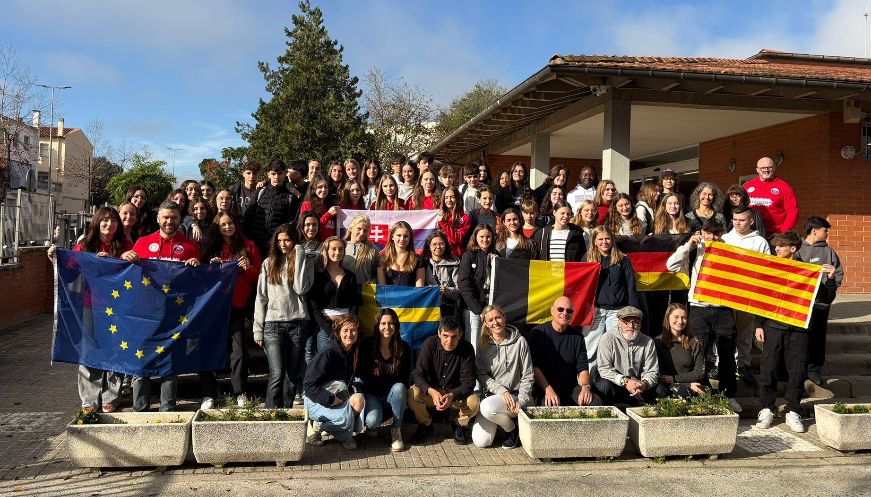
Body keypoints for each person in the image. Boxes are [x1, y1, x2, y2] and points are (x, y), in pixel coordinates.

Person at [48, 207, 137, 414]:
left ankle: (111, 396)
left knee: (115, 348)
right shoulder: (84, 246)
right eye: (104, 220)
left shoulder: (125, 244)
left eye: (113, 220)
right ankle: (89, 398)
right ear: (96, 223)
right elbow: (67, 270)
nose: (109, 224)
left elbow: (135, 270)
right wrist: (54, 257)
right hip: (89, 306)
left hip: (117, 308)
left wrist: (128, 258)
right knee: (89, 350)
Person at [666, 218, 743, 413]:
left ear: (721, 234)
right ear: (703, 232)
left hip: (724, 309)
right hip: (698, 308)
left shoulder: (729, 250)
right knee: (700, 353)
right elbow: (670, 265)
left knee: (727, 355)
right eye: (709, 233)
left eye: (716, 234)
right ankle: (703, 393)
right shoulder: (694, 248)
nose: (712, 237)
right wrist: (688, 246)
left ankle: (729, 396)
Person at [132, 200, 201, 412]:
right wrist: (127, 258)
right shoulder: (142, 243)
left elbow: (196, 283)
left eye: (173, 217)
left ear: (180, 219)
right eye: (165, 217)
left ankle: (167, 410)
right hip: (144, 314)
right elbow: (129, 275)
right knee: (140, 363)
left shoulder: (190, 246)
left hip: (174, 315)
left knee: (169, 365)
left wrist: (196, 268)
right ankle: (139, 409)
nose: (169, 221)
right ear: (158, 219)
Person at [200, 213, 261, 407]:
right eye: (223, 224)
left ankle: (239, 392)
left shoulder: (248, 245)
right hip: (214, 308)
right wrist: (212, 268)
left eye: (230, 223)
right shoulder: (210, 249)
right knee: (209, 350)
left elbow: (259, 277)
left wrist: (248, 268)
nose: (227, 227)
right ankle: (209, 393)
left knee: (239, 352)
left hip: (238, 307)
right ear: (217, 227)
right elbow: (201, 278)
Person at [254, 224, 316, 408]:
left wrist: (299, 255)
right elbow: (261, 297)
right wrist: (258, 328)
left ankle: (286, 414)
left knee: (292, 373)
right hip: (273, 324)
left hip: (298, 323)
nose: (283, 244)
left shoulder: (306, 261)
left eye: (287, 240)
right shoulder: (269, 263)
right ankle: (271, 414)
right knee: (277, 372)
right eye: (279, 240)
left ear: (295, 241)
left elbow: (300, 288)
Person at [755, 231, 810, 433]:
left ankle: (793, 410)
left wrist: (829, 280)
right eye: (776, 246)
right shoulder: (771, 269)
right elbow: (762, 297)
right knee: (768, 369)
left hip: (799, 329)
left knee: (797, 371)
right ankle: (766, 409)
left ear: (793, 249)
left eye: (781, 246)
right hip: (773, 327)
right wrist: (758, 324)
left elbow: (822, 298)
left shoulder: (807, 272)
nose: (776, 249)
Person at [408, 316, 480, 445]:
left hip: (455, 394)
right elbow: (417, 374)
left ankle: (460, 425)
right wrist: (431, 391)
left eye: (454, 337)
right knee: (413, 393)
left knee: (474, 402)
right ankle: (426, 424)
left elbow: (469, 381)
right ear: (439, 333)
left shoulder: (467, 348)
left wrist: (452, 395)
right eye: (445, 336)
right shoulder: (430, 344)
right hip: (433, 393)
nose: (449, 341)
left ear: (460, 335)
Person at [472, 305, 534, 449]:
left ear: (504, 318)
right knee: (481, 442)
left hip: (516, 397)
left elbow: (528, 375)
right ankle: (511, 428)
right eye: (491, 320)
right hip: (494, 397)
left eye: (498, 317)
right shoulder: (483, 344)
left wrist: (522, 400)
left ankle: (512, 430)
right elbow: (481, 374)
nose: (496, 322)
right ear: (486, 324)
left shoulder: (520, 342)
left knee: (488, 408)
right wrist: (501, 391)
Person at [722, 206, 771, 383]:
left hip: (748, 295)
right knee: (725, 332)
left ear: (751, 221)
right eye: (734, 219)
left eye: (741, 220)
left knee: (744, 332)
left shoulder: (760, 242)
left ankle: (742, 364)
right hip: (726, 295)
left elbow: (766, 270)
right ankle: (721, 363)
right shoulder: (724, 239)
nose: (737, 223)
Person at [582, 226, 639, 378]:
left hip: (617, 311)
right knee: (590, 347)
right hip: (596, 311)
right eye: (600, 239)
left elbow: (631, 286)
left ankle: (618, 381)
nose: (604, 242)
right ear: (594, 241)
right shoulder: (587, 259)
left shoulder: (623, 259)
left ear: (612, 240)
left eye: (607, 238)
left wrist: (632, 312)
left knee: (618, 346)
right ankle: (588, 381)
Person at [303, 315, 366, 449]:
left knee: (359, 401)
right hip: (315, 399)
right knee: (345, 419)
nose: (349, 334)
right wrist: (329, 398)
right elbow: (308, 386)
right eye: (345, 330)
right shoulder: (327, 353)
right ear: (338, 332)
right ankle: (316, 424)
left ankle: (341, 431)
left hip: (339, 395)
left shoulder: (355, 352)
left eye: (353, 330)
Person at [527, 297, 598, 407]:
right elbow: (535, 367)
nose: (565, 313)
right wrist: (548, 390)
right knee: (551, 409)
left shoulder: (577, 336)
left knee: (596, 404)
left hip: (570, 388)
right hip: (544, 388)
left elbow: (583, 368)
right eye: (560, 309)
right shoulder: (537, 333)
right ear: (552, 310)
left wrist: (585, 387)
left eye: (569, 311)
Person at [798, 216, 844, 386]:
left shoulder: (829, 251)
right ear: (814, 231)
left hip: (821, 304)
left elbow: (838, 273)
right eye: (825, 230)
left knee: (818, 339)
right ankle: (798, 369)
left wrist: (831, 283)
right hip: (801, 304)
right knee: (800, 339)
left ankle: (814, 370)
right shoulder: (798, 249)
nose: (828, 233)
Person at [359, 308, 412, 452]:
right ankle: (375, 422)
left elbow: (407, 379)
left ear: (396, 326)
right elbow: (360, 375)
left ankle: (396, 431)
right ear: (377, 325)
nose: (387, 327)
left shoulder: (404, 348)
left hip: (393, 397)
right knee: (372, 421)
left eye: (391, 323)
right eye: (383, 323)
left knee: (400, 387)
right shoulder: (366, 346)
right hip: (372, 395)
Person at [595, 306, 660, 405]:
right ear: (619, 323)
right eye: (626, 322)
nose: (631, 326)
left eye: (635, 322)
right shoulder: (608, 338)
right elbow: (604, 369)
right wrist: (625, 381)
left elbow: (652, 371)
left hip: (638, 386)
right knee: (603, 386)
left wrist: (644, 384)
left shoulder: (648, 342)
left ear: (640, 324)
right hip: (616, 383)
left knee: (661, 390)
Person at [308, 237, 361, 356]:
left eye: (341, 249)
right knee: (326, 362)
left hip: (347, 328)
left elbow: (355, 302)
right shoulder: (318, 276)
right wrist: (328, 329)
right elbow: (314, 307)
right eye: (333, 249)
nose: (337, 253)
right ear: (326, 251)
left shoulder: (350, 275)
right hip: (325, 328)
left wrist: (349, 324)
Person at [457, 223, 498, 355]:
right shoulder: (468, 256)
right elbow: (463, 284)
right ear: (475, 237)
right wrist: (478, 310)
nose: (485, 240)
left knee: (492, 344)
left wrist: (497, 264)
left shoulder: (497, 255)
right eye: (482, 236)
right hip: (474, 310)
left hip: (492, 306)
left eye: (488, 237)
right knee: (474, 345)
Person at [243, 159, 294, 259]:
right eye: (273, 173)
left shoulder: (290, 195)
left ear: (285, 174)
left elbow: (291, 223)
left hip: (276, 246)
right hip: (255, 244)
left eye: (280, 173)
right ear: (268, 174)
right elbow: (247, 218)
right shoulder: (260, 191)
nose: (276, 177)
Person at [654, 304, 706, 399]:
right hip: (668, 387)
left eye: (684, 318)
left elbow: (700, 372)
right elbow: (660, 376)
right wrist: (684, 385)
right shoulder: (657, 342)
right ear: (668, 318)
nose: (680, 321)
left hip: (692, 384)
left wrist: (675, 379)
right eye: (676, 317)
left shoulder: (694, 341)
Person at [744, 156, 799, 235]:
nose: (766, 170)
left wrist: (783, 233)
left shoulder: (783, 187)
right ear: (757, 170)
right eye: (763, 168)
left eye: (769, 167)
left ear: (774, 168)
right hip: (750, 233)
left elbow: (793, 211)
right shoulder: (747, 186)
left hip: (774, 236)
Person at [422, 231, 461, 319]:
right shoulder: (422, 264)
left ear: (446, 245)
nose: (438, 247)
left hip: (448, 309)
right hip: (428, 309)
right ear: (429, 246)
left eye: (441, 244)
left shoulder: (454, 264)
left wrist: (446, 290)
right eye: (434, 244)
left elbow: (460, 291)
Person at [377, 221, 425, 286]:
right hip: (388, 296)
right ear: (392, 237)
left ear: (410, 238)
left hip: (412, 296)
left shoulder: (418, 260)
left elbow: (419, 289)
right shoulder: (382, 259)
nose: (402, 239)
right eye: (399, 235)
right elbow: (382, 288)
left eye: (406, 236)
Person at [343, 214, 379, 285]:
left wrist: (373, 281)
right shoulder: (341, 246)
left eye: (365, 230)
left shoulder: (372, 250)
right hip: (343, 291)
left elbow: (378, 273)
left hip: (364, 292)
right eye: (359, 229)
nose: (362, 233)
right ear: (350, 228)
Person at [438, 186, 471, 258]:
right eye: (446, 197)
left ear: (457, 198)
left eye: (452, 197)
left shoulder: (465, 218)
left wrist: (443, 223)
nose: (449, 200)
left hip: (456, 256)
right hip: (439, 255)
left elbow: (456, 239)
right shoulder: (438, 215)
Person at [297, 176, 334, 240]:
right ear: (313, 189)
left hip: (329, 246)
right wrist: (328, 214)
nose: (323, 190)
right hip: (315, 246)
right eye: (320, 187)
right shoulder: (307, 205)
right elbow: (307, 228)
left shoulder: (328, 206)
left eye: (326, 187)